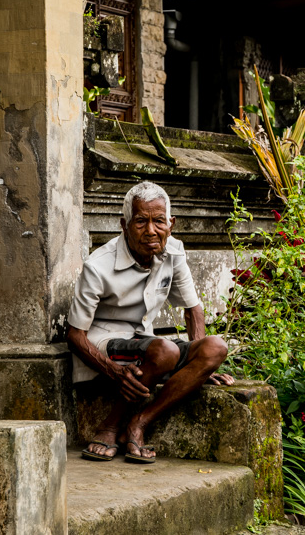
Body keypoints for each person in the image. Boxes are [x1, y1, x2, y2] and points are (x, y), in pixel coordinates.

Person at [67, 181, 234, 463]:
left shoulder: (174, 252)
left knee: (215, 348)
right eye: (141, 221)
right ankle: (109, 426)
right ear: (124, 224)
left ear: (171, 223)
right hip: (104, 343)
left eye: (159, 221)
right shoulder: (99, 266)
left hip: (147, 344)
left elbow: (194, 309)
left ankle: (139, 423)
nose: (151, 231)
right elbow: (74, 335)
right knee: (164, 350)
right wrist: (113, 372)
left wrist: (199, 370)